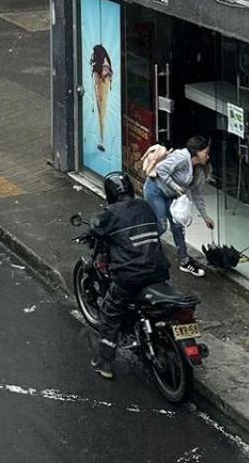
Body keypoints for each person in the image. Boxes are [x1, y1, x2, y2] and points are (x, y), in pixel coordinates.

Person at [89, 171, 170, 380]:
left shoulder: (111, 212)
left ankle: (104, 363)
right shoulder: (145, 206)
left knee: (111, 312)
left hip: (131, 275)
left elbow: (96, 228)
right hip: (159, 269)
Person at [144, 135, 214, 276]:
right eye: (205, 152)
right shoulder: (182, 157)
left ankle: (185, 261)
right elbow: (161, 169)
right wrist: (175, 187)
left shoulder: (199, 171)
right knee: (162, 224)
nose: (207, 156)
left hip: (171, 196)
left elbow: (197, 195)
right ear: (197, 152)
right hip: (155, 190)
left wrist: (206, 217)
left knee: (178, 226)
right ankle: (143, 250)